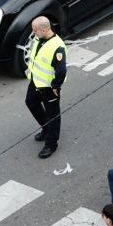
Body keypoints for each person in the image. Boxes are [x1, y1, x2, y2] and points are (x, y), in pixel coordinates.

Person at [25, 13, 68, 158]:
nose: (33, 33)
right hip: (36, 82)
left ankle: (51, 144)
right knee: (30, 102)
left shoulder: (57, 47)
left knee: (53, 115)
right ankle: (46, 128)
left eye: (35, 30)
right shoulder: (40, 38)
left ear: (44, 30)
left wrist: (56, 86)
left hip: (49, 88)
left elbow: (61, 70)